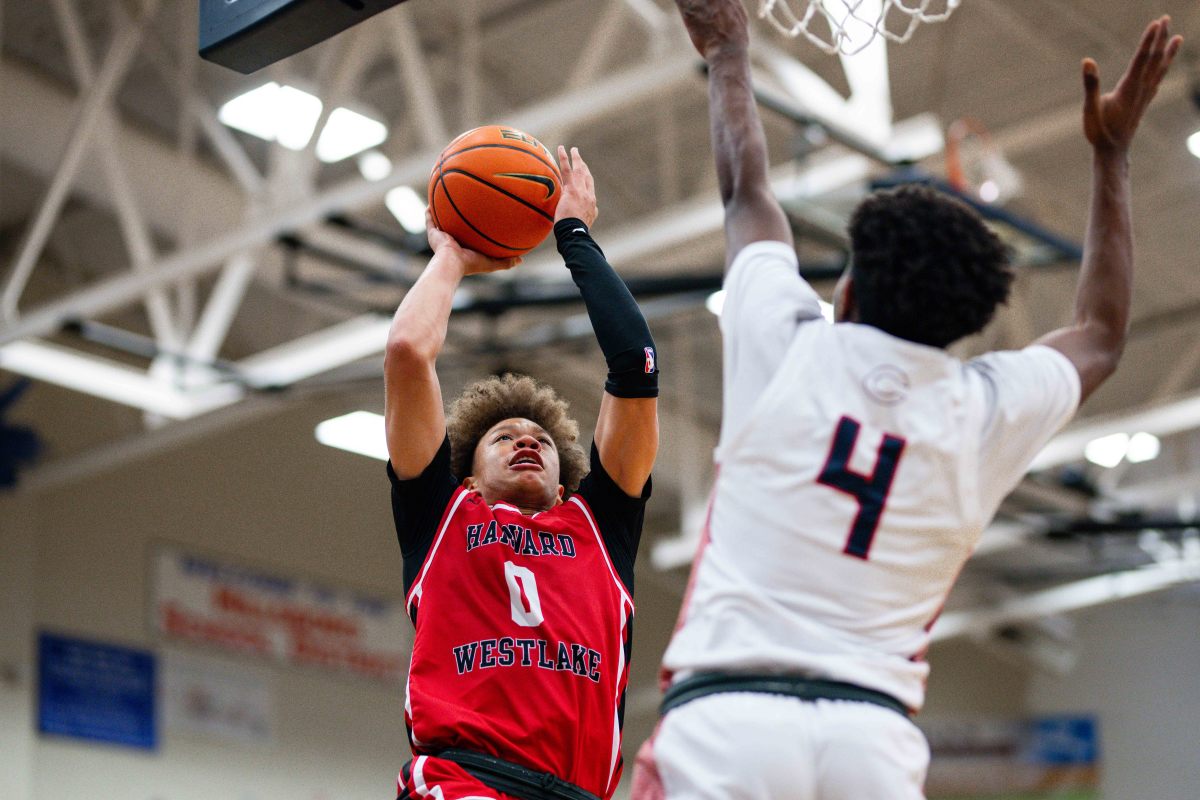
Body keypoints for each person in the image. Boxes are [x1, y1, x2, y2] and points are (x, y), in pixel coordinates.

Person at [632, 3, 1182, 799]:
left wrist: (727, 51)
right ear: (964, 324)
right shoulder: (982, 409)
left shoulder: (790, 344)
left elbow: (747, 192)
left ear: (846, 290)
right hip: (872, 743)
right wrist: (1113, 155)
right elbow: (1099, 331)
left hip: (729, 722)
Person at [385, 145, 659, 800]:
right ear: (468, 478)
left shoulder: (599, 525)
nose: (526, 443)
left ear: (566, 485)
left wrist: (575, 235)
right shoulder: (443, 516)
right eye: (503, 438)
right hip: (465, 782)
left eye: (539, 438)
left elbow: (637, 365)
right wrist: (451, 255)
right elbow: (404, 351)